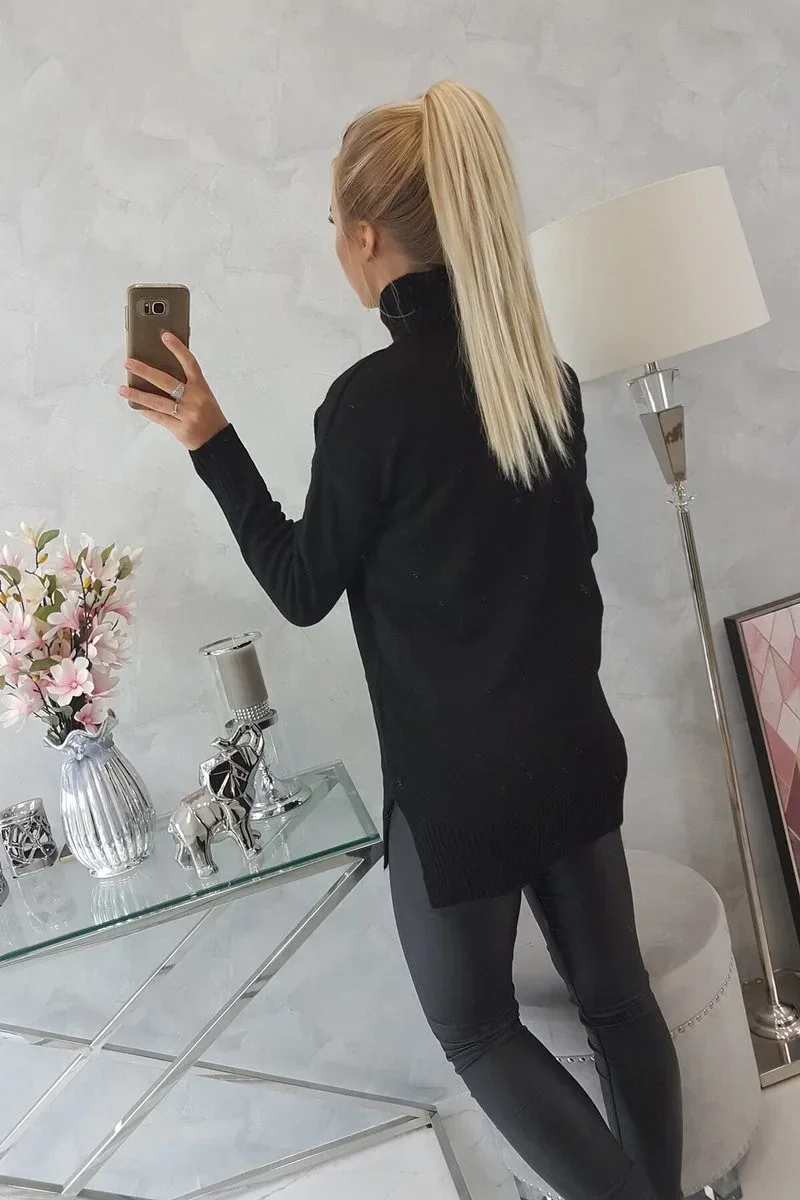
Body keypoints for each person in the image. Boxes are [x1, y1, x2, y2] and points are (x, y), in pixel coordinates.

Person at [119, 80, 682, 1200]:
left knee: (474, 1029)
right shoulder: (542, 376)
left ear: (367, 236)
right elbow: (571, 556)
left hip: (460, 790)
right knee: (619, 1004)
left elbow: (301, 587)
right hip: (575, 747)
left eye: (334, 221)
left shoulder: (367, 405)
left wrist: (212, 441)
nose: (333, 240)